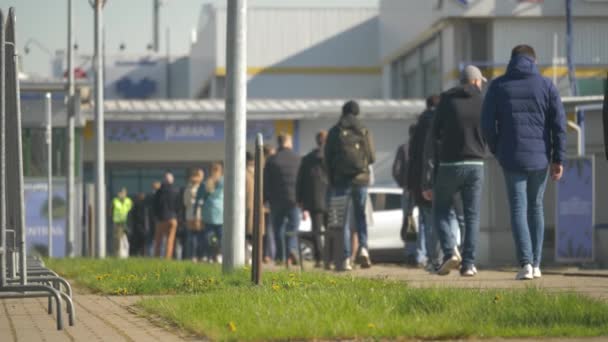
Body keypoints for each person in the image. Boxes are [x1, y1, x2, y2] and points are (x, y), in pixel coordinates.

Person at [482, 45, 566, 280]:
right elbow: (559, 126)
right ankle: (537, 264)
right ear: (534, 60)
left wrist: (498, 150)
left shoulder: (498, 86)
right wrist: (558, 158)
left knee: (518, 208)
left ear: (512, 60)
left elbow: (487, 125)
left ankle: (526, 264)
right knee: (536, 207)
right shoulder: (547, 85)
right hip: (540, 158)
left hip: (511, 157)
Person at [427, 65, 487, 277]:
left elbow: (434, 134)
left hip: (449, 164)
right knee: (471, 215)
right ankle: (468, 263)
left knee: (441, 209)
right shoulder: (483, 101)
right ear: (476, 81)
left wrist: (430, 172)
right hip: (476, 164)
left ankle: (449, 250)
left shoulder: (446, 100)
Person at [325, 100, 376, 271]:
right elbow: (372, 157)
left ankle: (346, 258)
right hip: (360, 180)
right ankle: (363, 248)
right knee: (360, 215)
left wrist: (332, 178)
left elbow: (328, 158)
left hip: (340, 181)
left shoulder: (335, 131)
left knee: (343, 220)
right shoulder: (363, 129)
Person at [264, 133, 301, 265]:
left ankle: (280, 257)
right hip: (294, 200)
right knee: (293, 226)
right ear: (289, 142)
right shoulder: (297, 159)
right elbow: (302, 181)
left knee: (277, 228)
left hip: (276, 201)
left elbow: (266, 182)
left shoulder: (272, 160)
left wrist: (265, 199)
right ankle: (291, 249)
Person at [393, 124, 426, 267]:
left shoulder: (403, 148)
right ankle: (422, 254)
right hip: (423, 190)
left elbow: (396, 170)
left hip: (408, 190)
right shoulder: (424, 147)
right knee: (424, 221)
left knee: (410, 221)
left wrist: (403, 184)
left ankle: (410, 253)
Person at [296, 130, 329, 268]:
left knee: (316, 230)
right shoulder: (332, 157)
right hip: (331, 199)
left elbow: (300, 181)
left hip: (314, 201)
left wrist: (300, 200)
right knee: (332, 230)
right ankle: (331, 257)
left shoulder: (307, 159)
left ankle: (319, 258)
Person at [196, 162, 224, 263]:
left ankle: (213, 254)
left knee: (211, 237)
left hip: (211, 215)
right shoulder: (225, 183)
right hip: (219, 215)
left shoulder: (206, 183)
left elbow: (199, 200)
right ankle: (216, 254)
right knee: (218, 237)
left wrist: (197, 213)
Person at [153, 172, 181, 259]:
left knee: (158, 240)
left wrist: (156, 216)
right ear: (172, 181)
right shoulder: (176, 191)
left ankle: (157, 257)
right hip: (172, 219)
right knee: (170, 240)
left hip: (161, 218)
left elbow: (155, 205)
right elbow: (178, 205)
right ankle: (167, 258)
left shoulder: (159, 192)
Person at [184, 168, 204, 261]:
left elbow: (185, 202)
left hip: (194, 216)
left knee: (194, 237)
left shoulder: (189, 188)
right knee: (194, 238)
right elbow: (187, 202)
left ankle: (194, 256)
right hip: (195, 216)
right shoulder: (194, 188)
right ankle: (194, 256)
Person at [262, 145, 276, 263]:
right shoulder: (269, 166)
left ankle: (268, 254)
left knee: (267, 230)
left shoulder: (262, 166)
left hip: (266, 203)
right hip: (268, 203)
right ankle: (269, 254)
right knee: (269, 229)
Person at [111, 188, 133, 258]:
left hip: (126, 222)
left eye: (123, 193)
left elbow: (132, 210)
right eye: (120, 193)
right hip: (118, 223)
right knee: (117, 239)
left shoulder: (128, 201)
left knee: (126, 238)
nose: (121, 194)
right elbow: (110, 211)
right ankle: (118, 254)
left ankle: (126, 253)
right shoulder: (115, 201)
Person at [144, 181, 161, 256]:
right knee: (156, 238)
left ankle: (150, 254)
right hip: (157, 220)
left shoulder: (149, 196)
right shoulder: (159, 196)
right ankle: (155, 254)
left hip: (151, 220)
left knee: (151, 238)